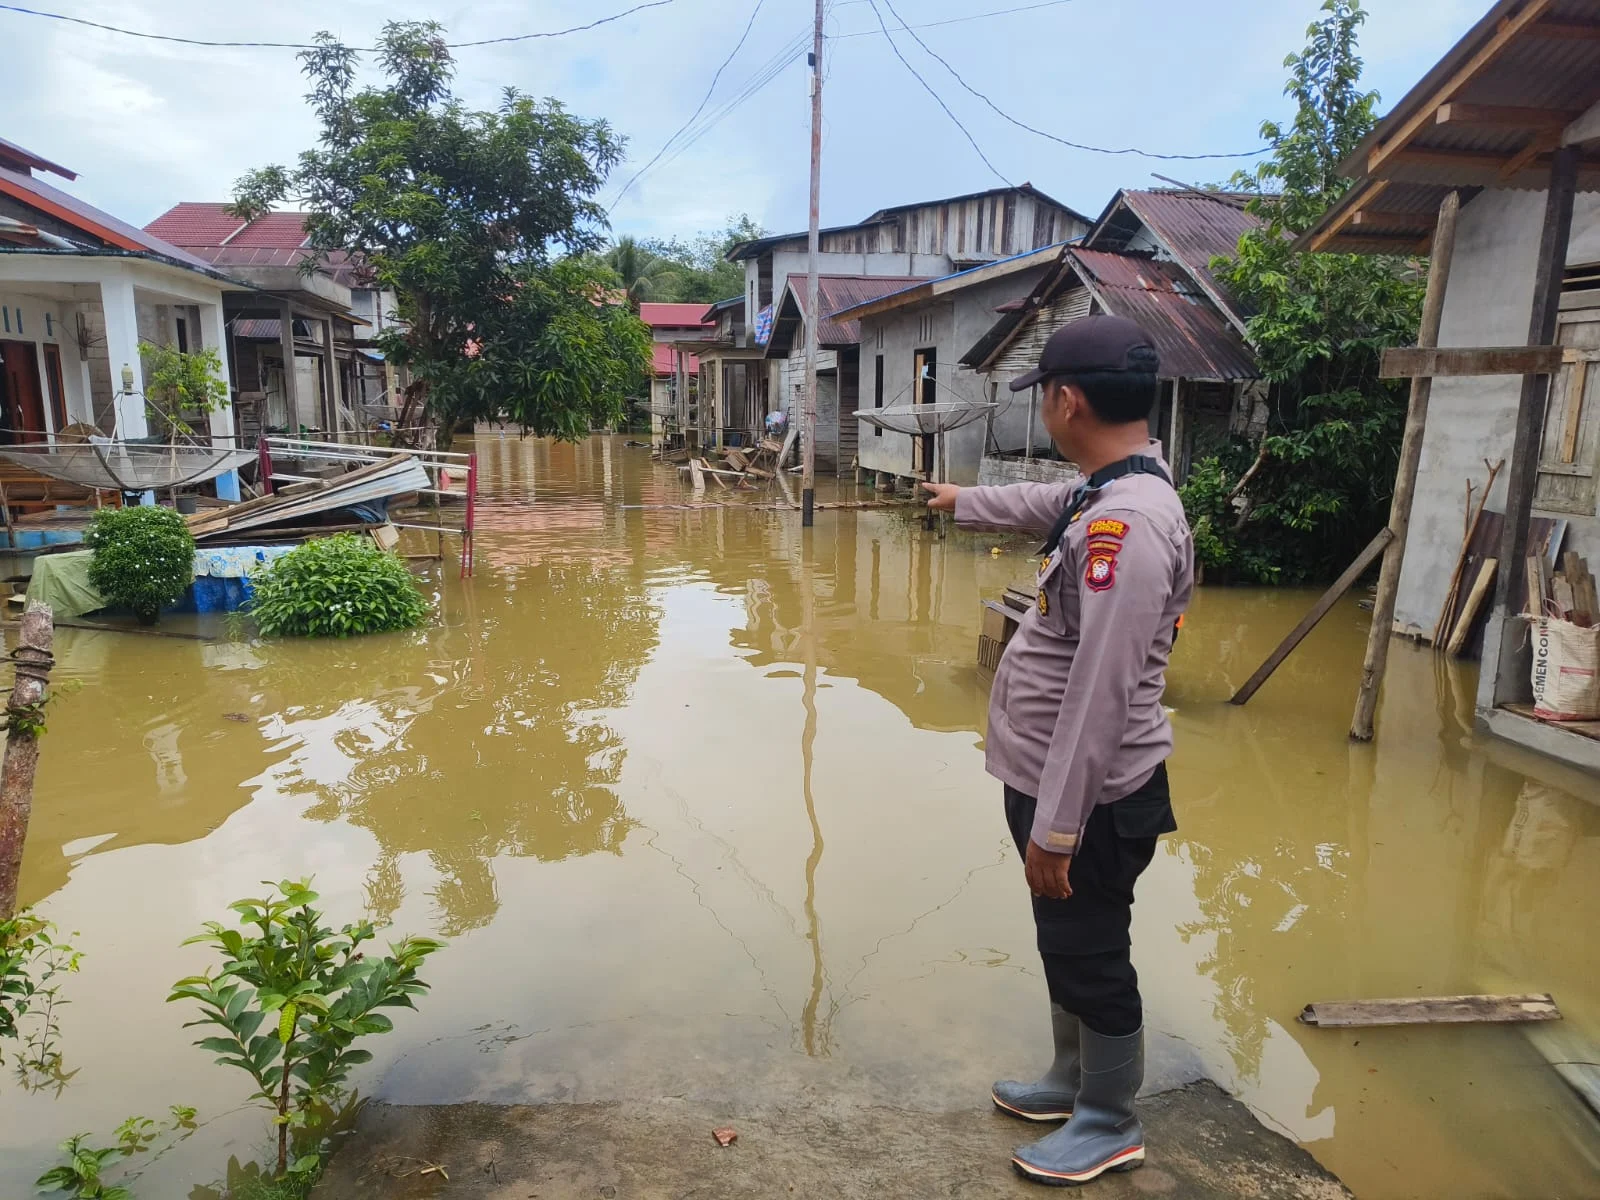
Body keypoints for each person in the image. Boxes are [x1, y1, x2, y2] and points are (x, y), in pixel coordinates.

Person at [922, 315, 1192, 1187]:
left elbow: (1100, 693)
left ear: (1067, 400)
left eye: (1042, 393)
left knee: (1091, 948)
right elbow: (1046, 506)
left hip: (1091, 798)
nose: (1043, 405)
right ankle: (1072, 1081)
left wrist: (1059, 829)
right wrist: (963, 501)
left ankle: (1110, 1120)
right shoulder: (1111, 488)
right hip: (1056, 785)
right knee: (1064, 937)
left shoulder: (1130, 526)